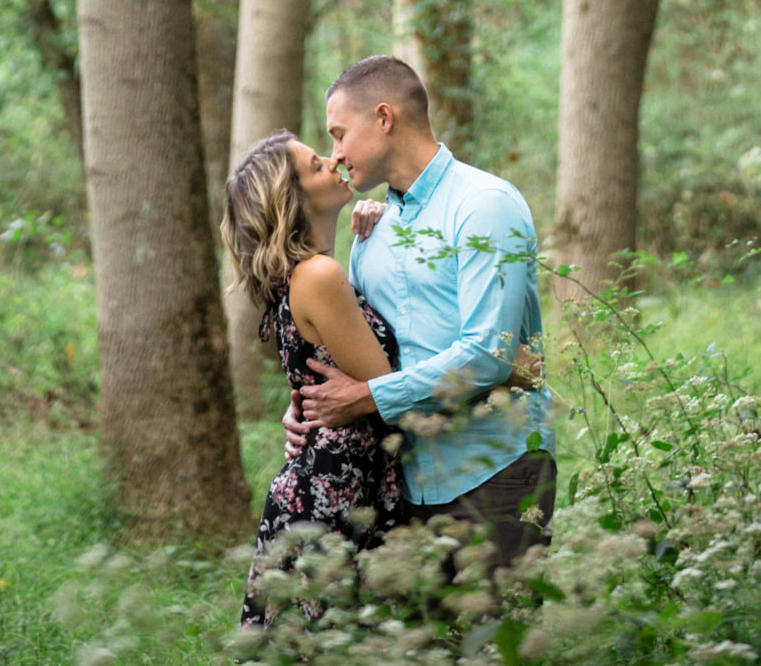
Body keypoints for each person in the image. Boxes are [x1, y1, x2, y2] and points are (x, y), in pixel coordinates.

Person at [289, 54, 557, 575]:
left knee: (495, 646)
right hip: (405, 483)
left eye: (340, 134)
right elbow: (361, 345)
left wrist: (365, 398)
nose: (336, 154)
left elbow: (488, 356)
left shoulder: (485, 205)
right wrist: (305, 408)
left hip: (497, 466)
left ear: (384, 119)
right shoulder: (372, 230)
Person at [223, 129, 406, 627]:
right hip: (333, 494)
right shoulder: (318, 277)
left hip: (330, 485)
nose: (332, 161)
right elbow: (390, 388)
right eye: (314, 163)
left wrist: (377, 227)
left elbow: (320, 372)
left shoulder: (307, 275)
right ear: (292, 199)